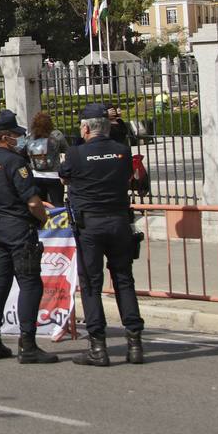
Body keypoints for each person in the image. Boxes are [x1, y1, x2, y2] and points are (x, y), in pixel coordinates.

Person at [60, 103, 145, 367]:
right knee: (124, 280)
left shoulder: (75, 154)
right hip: (119, 222)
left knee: (91, 285)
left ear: (85, 128)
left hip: (90, 227)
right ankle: (135, 343)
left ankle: (98, 345)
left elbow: (64, 178)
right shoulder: (121, 151)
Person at [0, 110, 58, 365]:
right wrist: (45, 218)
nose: (19, 139)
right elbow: (33, 202)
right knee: (30, 283)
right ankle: (28, 343)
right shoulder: (16, 163)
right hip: (19, 228)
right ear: (6, 137)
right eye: (15, 135)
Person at [22, 111, 68, 207]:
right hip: (54, 176)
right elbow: (67, 151)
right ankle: (57, 221)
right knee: (58, 204)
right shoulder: (57, 135)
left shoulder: (30, 137)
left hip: (36, 175)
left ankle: (42, 221)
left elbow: (23, 154)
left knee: (40, 204)